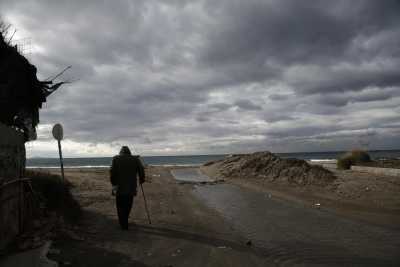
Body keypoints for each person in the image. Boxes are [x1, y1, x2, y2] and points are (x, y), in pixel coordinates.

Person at [110, 146, 145, 230]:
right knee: (128, 204)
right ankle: (125, 221)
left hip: (119, 187)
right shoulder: (135, 159)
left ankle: (123, 223)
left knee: (120, 205)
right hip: (131, 186)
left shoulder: (116, 159)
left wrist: (113, 183)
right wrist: (141, 179)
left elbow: (112, 172)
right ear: (129, 152)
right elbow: (141, 170)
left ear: (121, 152)